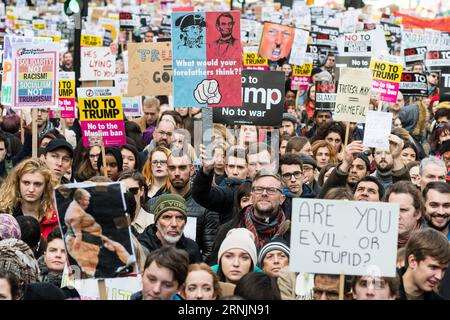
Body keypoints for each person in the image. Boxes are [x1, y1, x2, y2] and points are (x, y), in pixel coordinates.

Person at [149, 150, 219, 261]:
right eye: (172, 168)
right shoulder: (153, 204)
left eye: (182, 168)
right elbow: (149, 242)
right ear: (167, 170)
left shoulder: (206, 206)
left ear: (192, 170)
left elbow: (209, 251)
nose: (177, 173)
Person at [64, 188, 133, 277]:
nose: (88, 203)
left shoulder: (78, 208)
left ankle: (130, 262)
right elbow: (78, 235)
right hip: (81, 241)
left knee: (117, 246)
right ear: (79, 199)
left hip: (94, 237)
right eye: (86, 200)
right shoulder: (74, 213)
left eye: (88, 200)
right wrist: (76, 252)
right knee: (90, 268)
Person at [0, 158, 57, 239]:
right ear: (17, 183)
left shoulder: (55, 217)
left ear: (46, 186)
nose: (31, 189)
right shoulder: (4, 214)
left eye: (37, 184)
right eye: (26, 183)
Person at [138, 194, 202, 263]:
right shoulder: (141, 249)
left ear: (185, 222)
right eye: (167, 217)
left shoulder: (192, 249)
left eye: (179, 218)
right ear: (156, 222)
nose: (174, 224)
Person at [398, 228, 450, 300]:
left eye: (443, 269)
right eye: (433, 267)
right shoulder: (381, 292)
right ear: (413, 261)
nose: (439, 276)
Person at [384, 181, 424, 248]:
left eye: (403, 210)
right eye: (392, 209)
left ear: (417, 214)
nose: (397, 216)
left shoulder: (430, 243)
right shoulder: (376, 241)